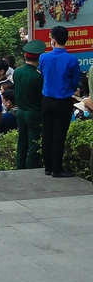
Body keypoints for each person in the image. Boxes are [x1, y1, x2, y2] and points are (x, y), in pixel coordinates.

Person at [39, 25, 81, 177]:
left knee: (47, 132)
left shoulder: (44, 57)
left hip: (47, 100)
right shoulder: (71, 60)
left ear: (53, 40)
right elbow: (75, 81)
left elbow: (43, 74)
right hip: (63, 100)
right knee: (59, 134)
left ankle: (48, 167)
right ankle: (57, 168)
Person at [14, 40, 45, 169]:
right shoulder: (37, 76)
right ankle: (30, 170)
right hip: (34, 113)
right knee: (33, 145)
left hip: (20, 112)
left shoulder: (17, 72)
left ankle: (19, 168)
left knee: (22, 143)